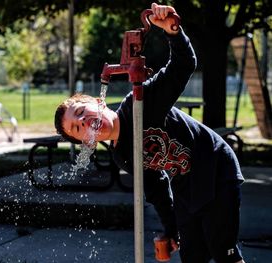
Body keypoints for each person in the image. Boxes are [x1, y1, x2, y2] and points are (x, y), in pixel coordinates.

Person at [54, 3, 245, 263]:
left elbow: (184, 64)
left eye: (80, 112)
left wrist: (173, 32)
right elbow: (156, 188)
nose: (84, 123)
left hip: (214, 167)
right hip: (186, 187)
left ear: (97, 101)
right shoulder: (122, 155)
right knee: (193, 258)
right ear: (85, 142)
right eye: (78, 129)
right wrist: (170, 228)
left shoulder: (140, 102)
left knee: (224, 253)